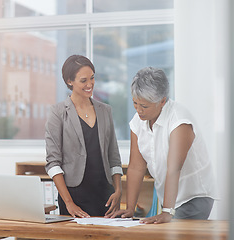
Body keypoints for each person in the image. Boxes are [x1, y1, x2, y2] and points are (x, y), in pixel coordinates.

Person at [109, 67, 217, 223]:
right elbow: (136, 167)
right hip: (169, 197)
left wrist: (167, 211)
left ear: (162, 101)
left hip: (193, 196)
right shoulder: (138, 121)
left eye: (144, 106)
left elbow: (174, 168)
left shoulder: (179, 121)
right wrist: (130, 209)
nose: (139, 110)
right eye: (135, 103)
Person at [45, 55, 123, 218]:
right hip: (74, 198)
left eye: (92, 78)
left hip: (105, 197)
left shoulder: (105, 110)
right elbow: (53, 163)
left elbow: (113, 157)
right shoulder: (58, 112)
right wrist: (68, 203)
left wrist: (118, 191)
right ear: (69, 81)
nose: (90, 84)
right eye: (83, 80)